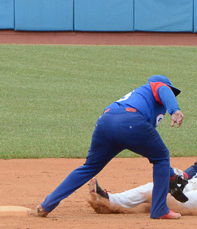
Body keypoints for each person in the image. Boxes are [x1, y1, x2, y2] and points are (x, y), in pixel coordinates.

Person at [33, 76, 185, 219]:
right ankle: (159, 209)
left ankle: (46, 205)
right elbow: (162, 89)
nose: (171, 94)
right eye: (171, 91)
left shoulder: (143, 102)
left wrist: (170, 175)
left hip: (106, 121)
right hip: (129, 121)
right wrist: (175, 110)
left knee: (89, 167)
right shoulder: (154, 88)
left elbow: (149, 147)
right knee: (162, 156)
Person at [88, 106, 197, 215]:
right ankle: (109, 200)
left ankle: (159, 204)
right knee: (153, 187)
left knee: (180, 199)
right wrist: (181, 176)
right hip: (194, 183)